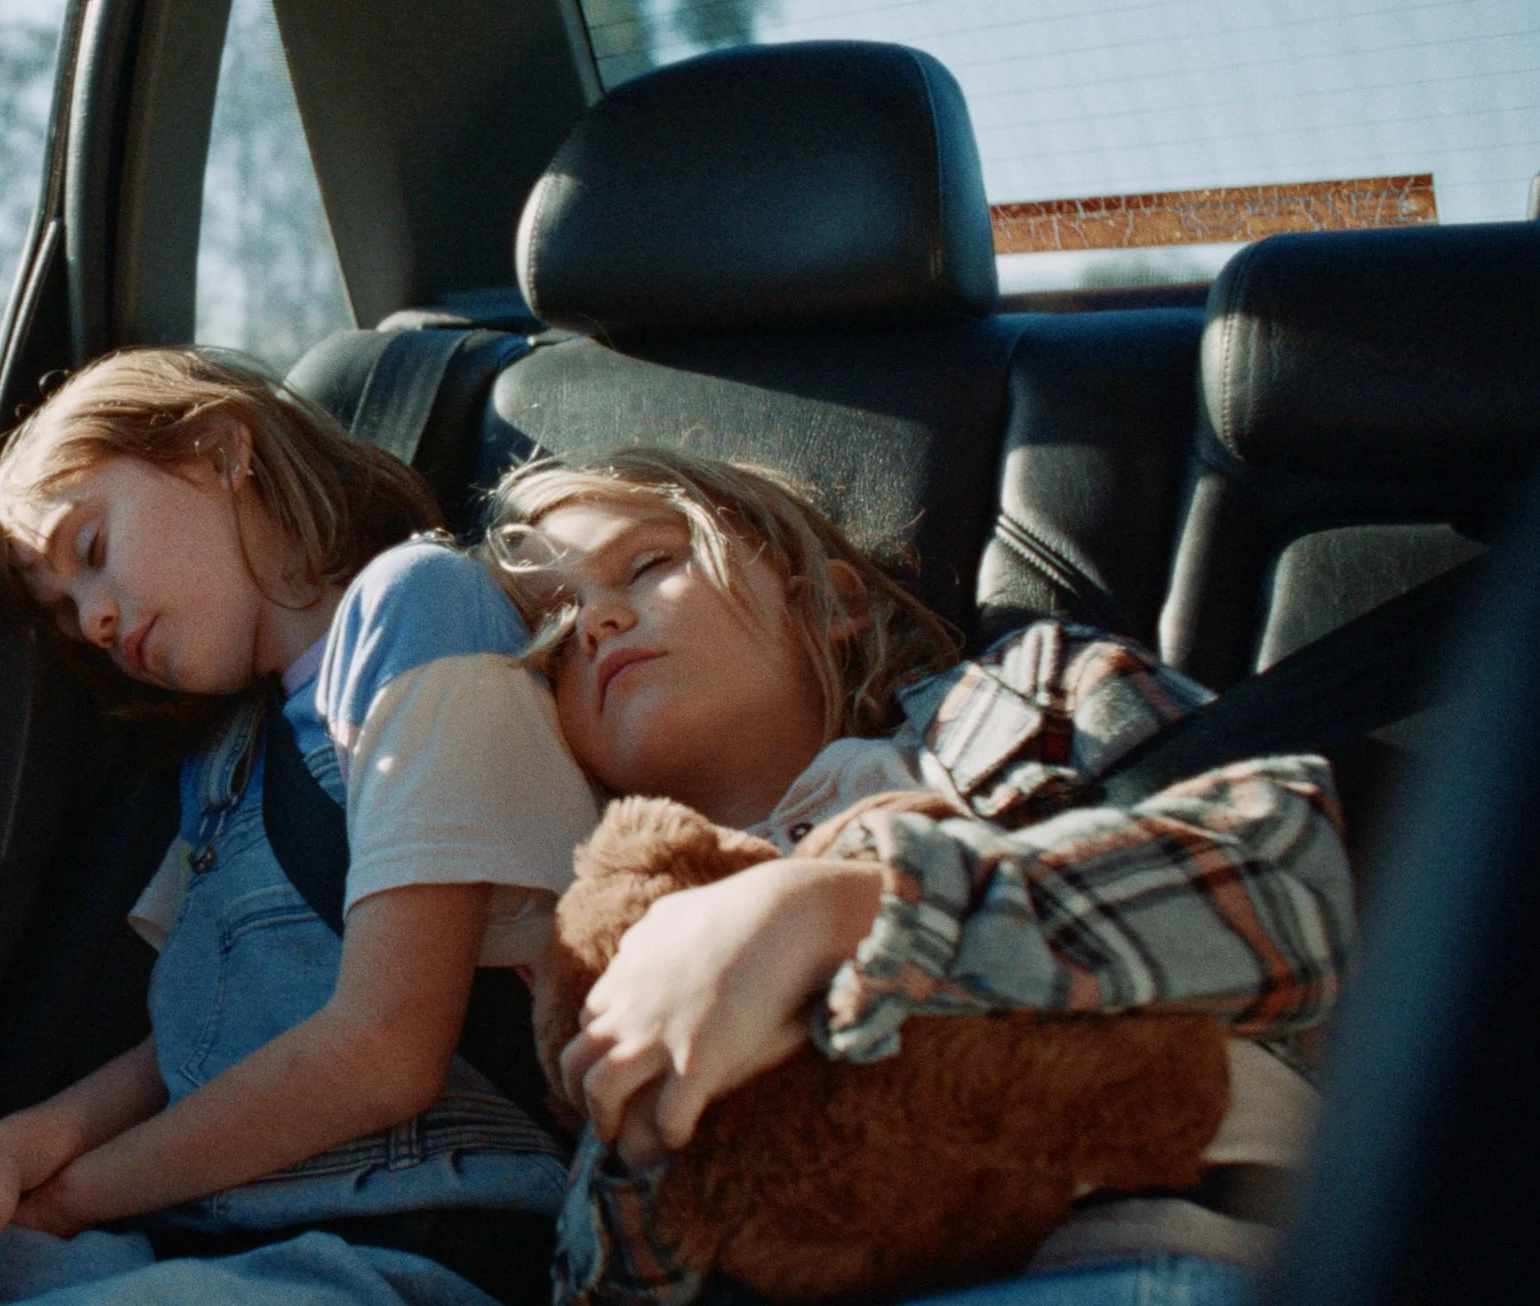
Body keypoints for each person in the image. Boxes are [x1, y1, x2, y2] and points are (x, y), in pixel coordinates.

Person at [0, 347, 601, 1305]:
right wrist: (12, 1146)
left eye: (91, 551)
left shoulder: (414, 606)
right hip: (197, 1240)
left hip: (408, 1245)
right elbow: (200, 1030)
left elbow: (383, 1049)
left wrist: (68, 1200)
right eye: (67, 613)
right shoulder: (224, 756)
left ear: (221, 447)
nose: (94, 622)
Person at [478, 447, 1356, 1306]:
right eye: (552, 631)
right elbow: (604, 1274)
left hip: (1132, 1251)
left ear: (832, 604)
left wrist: (847, 910)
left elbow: (1294, 884)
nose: (594, 623)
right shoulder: (617, 913)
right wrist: (643, 1144)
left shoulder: (1024, 704)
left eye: (646, 565)